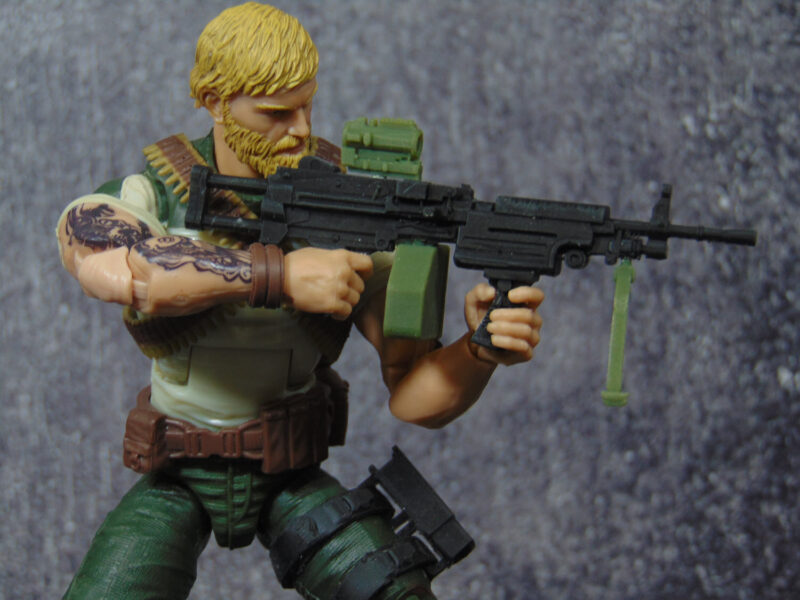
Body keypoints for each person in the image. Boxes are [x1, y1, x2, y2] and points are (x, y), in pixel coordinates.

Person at [55, 3, 543, 599]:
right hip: (176, 472)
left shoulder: (355, 212)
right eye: (276, 113)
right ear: (214, 101)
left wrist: (478, 351)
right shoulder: (153, 190)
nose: (301, 129)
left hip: (291, 474)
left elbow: (413, 395)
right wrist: (279, 275)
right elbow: (115, 267)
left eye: (307, 105)